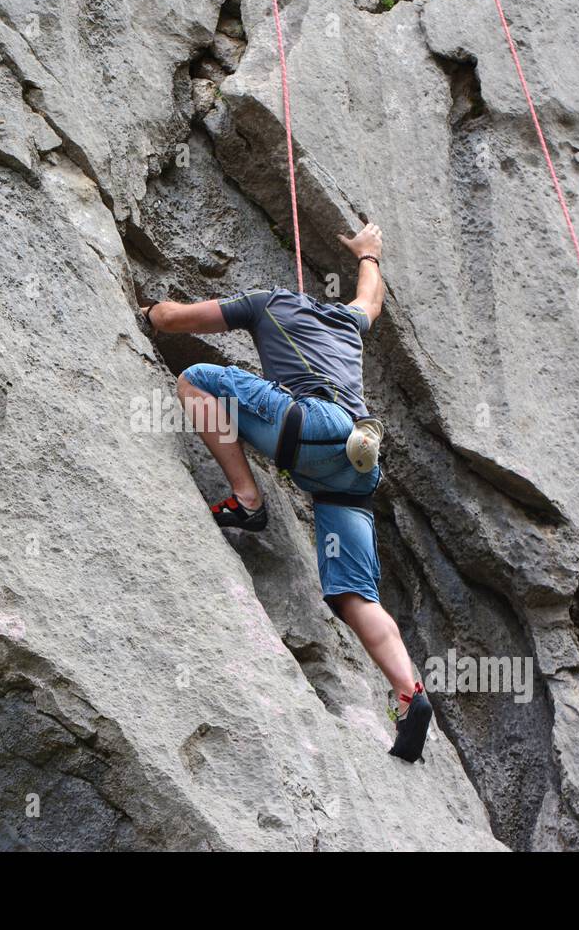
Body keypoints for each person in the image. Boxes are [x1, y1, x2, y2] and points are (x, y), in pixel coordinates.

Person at [140, 223, 432, 761]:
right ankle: (409, 694)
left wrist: (150, 311)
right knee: (352, 594)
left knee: (199, 378)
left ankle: (246, 498)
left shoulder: (266, 302)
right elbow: (372, 299)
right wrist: (369, 253)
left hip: (311, 427)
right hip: (356, 461)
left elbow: (176, 320)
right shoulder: (346, 321)